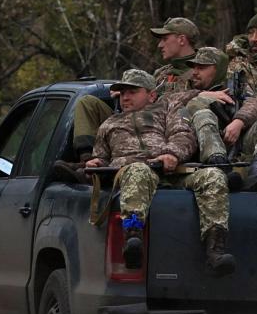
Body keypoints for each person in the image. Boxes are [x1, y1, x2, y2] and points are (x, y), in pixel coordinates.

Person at [85, 69, 235, 276]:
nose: (125, 97)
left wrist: (172, 154)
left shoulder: (168, 109)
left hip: (173, 171)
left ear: (151, 95)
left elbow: (183, 135)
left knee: (214, 176)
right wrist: (95, 163)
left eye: (132, 92)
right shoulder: (108, 124)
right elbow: (102, 156)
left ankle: (215, 249)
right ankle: (133, 240)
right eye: (122, 93)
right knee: (138, 170)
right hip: (134, 173)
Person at [70, 15, 200, 154]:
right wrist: (129, 93)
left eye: (165, 39)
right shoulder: (161, 73)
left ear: (181, 40)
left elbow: (200, 105)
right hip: (136, 125)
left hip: (167, 131)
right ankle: (88, 158)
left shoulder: (201, 72)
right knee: (88, 103)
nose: (160, 45)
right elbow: (147, 98)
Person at [166, 46, 257, 191]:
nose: (195, 72)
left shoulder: (232, 87)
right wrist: (200, 95)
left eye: (202, 68)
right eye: (194, 67)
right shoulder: (184, 87)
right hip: (200, 150)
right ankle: (220, 167)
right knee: (202, 113)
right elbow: (164, 101)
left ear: (218, 69)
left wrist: (239, 122)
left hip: (235, 143)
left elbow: (255, 103)